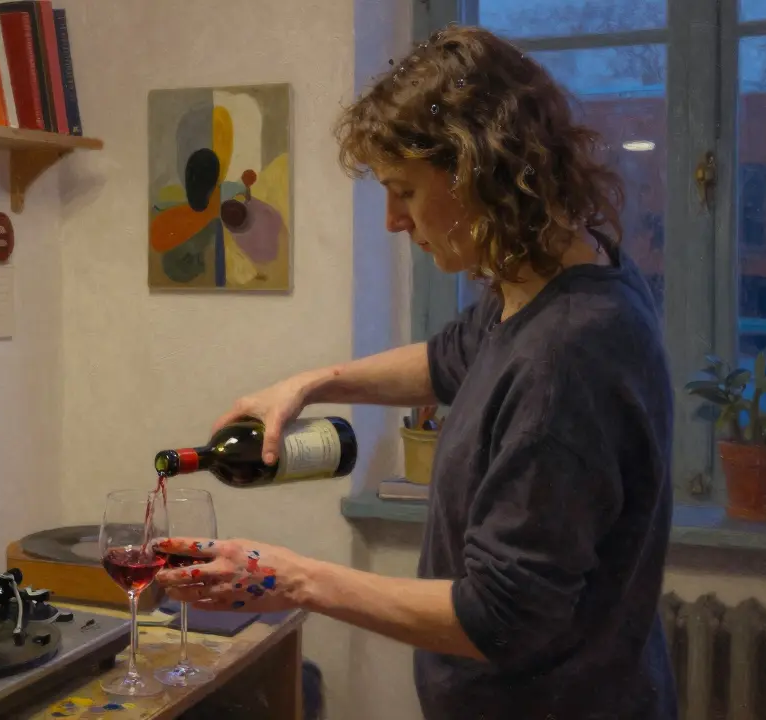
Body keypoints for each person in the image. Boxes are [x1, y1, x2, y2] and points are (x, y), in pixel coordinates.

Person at [153, 24, 678, 720]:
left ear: (478, 168)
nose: (394, 220)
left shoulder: (568, 357)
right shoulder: (556, 273)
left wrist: (294, 578)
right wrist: (311, 383)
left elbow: (499, 615)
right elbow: (445, 360)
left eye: (404, 190)